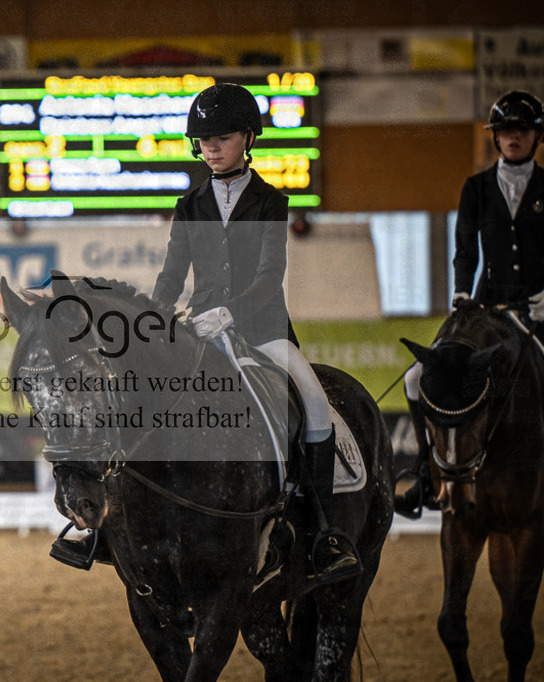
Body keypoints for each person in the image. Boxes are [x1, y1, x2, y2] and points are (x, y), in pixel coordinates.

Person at [52, 83, 361, 586]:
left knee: (315, 403)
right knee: (135, 399)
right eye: (204, 139)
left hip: (262, 332)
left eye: (221, 137)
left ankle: (323, 533)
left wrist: (231, 313)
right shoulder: (190, 203)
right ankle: (108, 529)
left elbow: (269, 279)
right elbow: (172, 277)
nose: (211, 147)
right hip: (197, 330)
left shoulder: (270, 202)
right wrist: (151, 320)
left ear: (248, 137)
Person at [395, 89, 544, 518]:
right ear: (496, 138)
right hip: (485, 306)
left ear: (535, 136)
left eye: (521, 130)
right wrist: (461, 291)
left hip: (538, 309)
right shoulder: (476, 187)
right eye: (505, 130)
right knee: (414, 377)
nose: (513, 137)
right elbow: (465, 248)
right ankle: (425, 476)